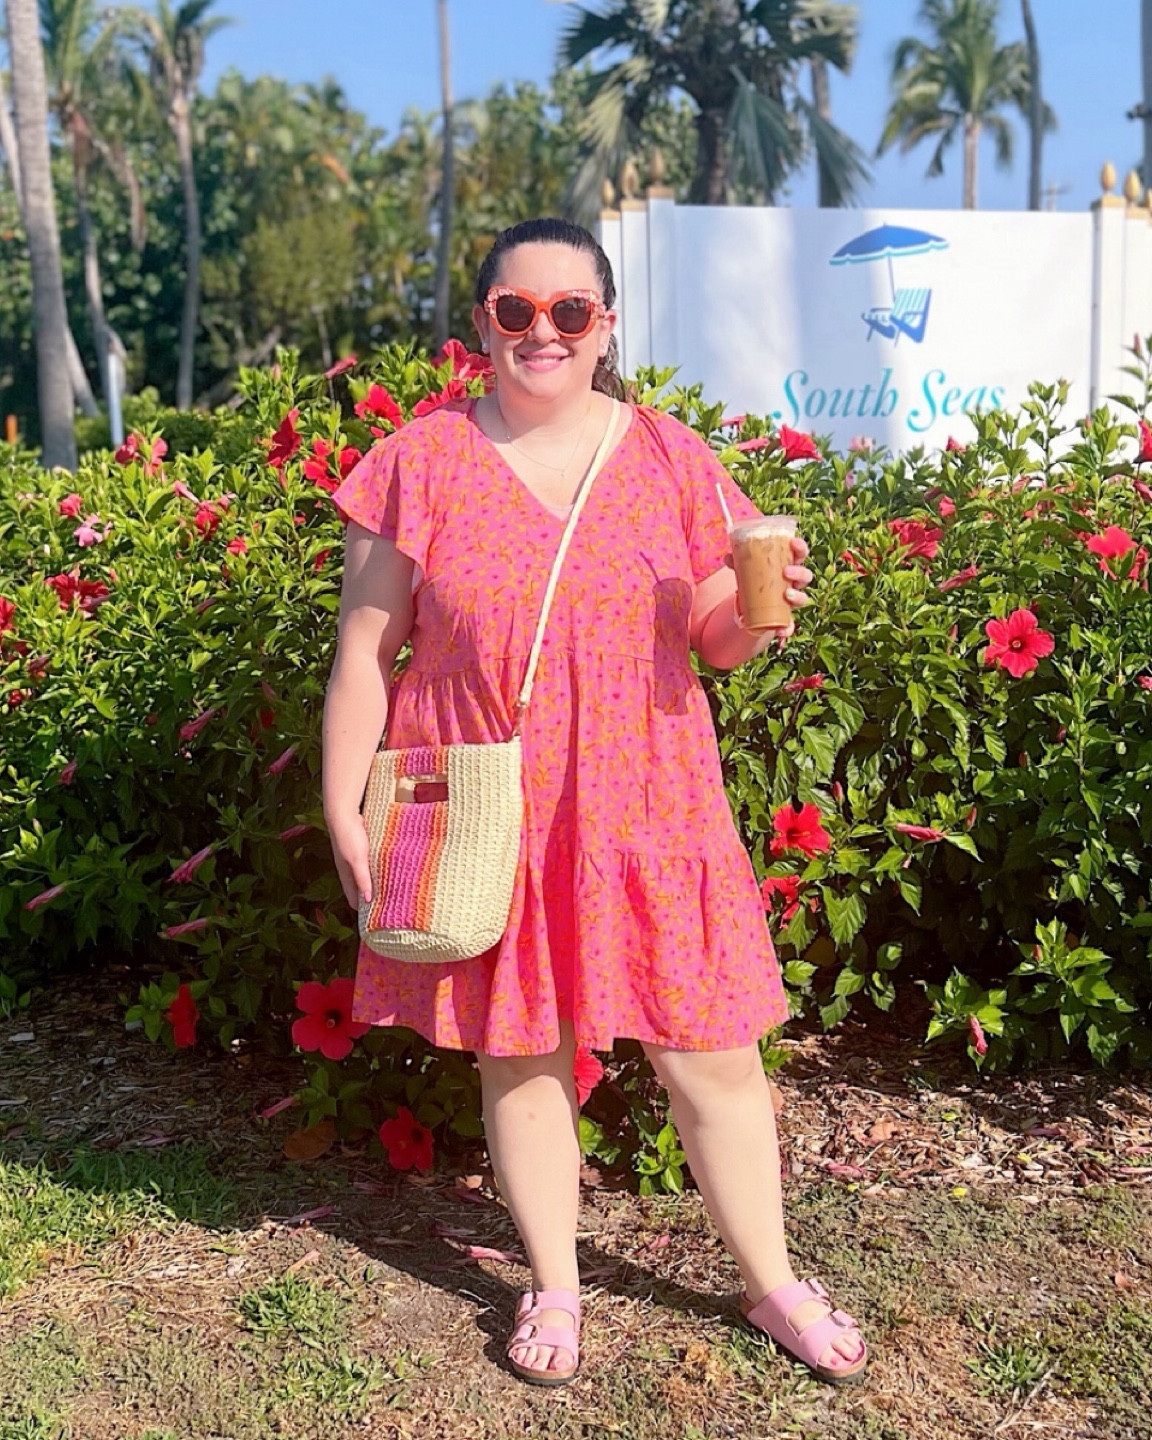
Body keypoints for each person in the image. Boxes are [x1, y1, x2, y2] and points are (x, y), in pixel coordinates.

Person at [323, 217, 868, 1388]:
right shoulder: (421, 461)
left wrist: (767, 615)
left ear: (606, 325)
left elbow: (717, 636)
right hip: (493, 813)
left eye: (570, 312)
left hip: (653, 810)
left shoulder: (671, 457)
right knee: (519, 1054)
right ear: (482, 324)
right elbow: (365, 653)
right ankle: (557, 1285)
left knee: (712, 1054)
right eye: (516, 311)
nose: (542, 332)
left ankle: (770, 1279)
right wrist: (342, 810)